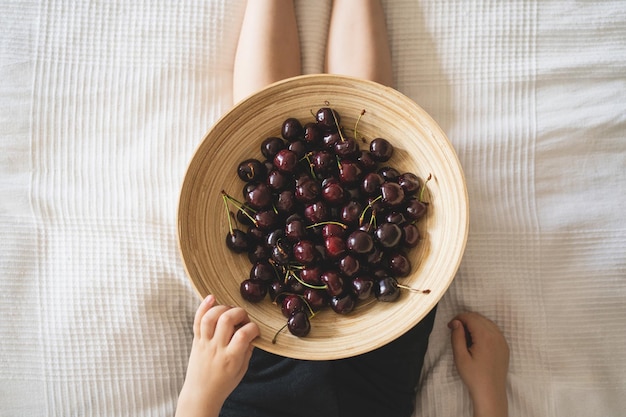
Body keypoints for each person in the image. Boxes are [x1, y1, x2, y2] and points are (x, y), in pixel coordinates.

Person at [176, 1, 509, 416]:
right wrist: (491, 394)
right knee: (354, 157)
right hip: (373, 368)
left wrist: (199, 394)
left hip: (264, 354)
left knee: (278, 143)